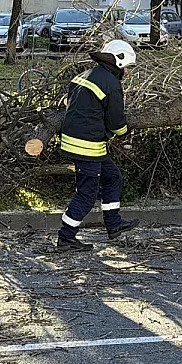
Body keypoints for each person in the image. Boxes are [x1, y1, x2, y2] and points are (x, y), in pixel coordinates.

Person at [56, 39, 140, 251]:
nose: (128, 72)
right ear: (119, 61)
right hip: (87, 146)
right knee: (86, 194)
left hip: (79, 141)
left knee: (113, 177)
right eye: (128, 67)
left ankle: (114, 225)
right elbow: (116, 121)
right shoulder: (111, 84)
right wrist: (125, 134)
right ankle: (66, 238)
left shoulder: (83, 75)